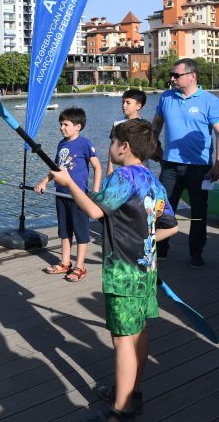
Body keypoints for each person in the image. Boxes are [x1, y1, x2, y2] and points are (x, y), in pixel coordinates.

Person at [49, 119, 178, 421]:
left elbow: (94, 211)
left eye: (112, 142)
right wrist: (144, 239)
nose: (109, 148)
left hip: (122, 273)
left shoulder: (123, 177)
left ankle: (122, 409)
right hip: (146, 271)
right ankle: (130, 391)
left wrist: (69, 183)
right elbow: (170, 227)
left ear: (124, 147)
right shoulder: (153, 181)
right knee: (140, 331)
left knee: (123, 341)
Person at [151, 58, 219, 268]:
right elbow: (156, 125)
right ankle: (161, 249)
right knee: (162, 209)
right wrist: (153, 147)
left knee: (198, 211)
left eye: (177, 75)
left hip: (199, 166)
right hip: (170, 165)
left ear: (192, 76)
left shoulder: (210, 101)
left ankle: (196, 252)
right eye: (172, 75)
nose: (172, 78)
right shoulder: (166, 97)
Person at [35, 107, 102, 282]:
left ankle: (80, 266)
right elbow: (56, 170)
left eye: (65, 124)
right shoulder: (61, 144)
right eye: (61, 124)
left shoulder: (85, 144)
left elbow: (97, 168)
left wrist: (94, 192)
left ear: (78, 126)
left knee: (81, 232)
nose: (62, 128)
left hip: (78, 197)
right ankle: (65, 262)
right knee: (64, 232)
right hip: (61, 195)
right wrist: (43, 182)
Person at [107, 89, 147, 176]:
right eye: (123, 102)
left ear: (138, 106)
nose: (124, 105)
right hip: (123, 171)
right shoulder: (117, 124)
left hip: (141, 171)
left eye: (128, 103)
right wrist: (110, 167)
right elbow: (112, 147)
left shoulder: (144, 126)